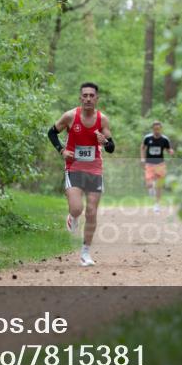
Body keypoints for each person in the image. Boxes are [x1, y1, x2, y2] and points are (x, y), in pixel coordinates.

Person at [47, 82, 115, 266]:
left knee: (92, 212)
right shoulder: (70, 116)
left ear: (96, 99)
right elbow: (51, 133)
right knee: (77, 209)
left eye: (91, 96)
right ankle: (73, 216)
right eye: (85, 95)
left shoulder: (102, 120)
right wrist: (61, 150)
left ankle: (85, 253)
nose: (88, 99)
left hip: (94, 169)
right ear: (80, 98)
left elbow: (111, 147)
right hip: (74, 167)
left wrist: (105, 141)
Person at [140, 120, 174, 213]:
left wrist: (170, 151)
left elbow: (168, 149)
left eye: (158, 129)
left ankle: (157, 205)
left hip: (160, 164)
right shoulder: (147, 138)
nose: (157, 131)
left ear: (161, 129)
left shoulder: (165, 139)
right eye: (155, 129)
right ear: (153, 129)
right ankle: (151, 189)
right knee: (149, 184)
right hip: (149, 164)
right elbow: (142, 147)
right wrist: (142, 159)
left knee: (159, 185)